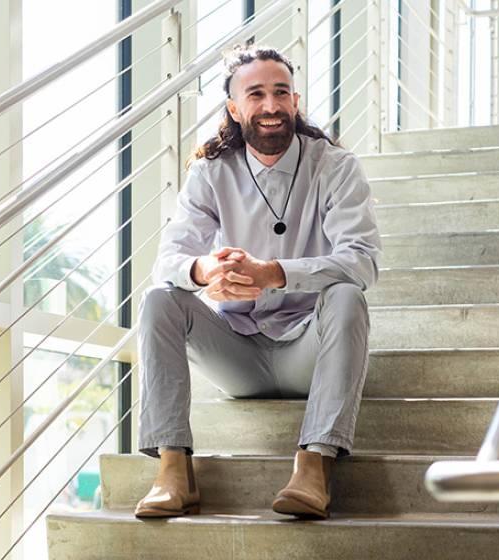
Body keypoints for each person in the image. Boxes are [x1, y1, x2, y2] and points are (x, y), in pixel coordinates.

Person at [132, 44, 381, 520]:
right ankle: (173, 472)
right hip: (238, 357)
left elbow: (362, 260)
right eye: (257, 94)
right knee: (160, 300)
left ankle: (314, 467)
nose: (271, 106)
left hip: (308, 351)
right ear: (233, 107)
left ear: (295, 100)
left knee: (348, 294)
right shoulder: (209, 171)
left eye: (281, 93)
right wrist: (207, 271)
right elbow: (168, 258)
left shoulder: (336, 166)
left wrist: (275, 274)